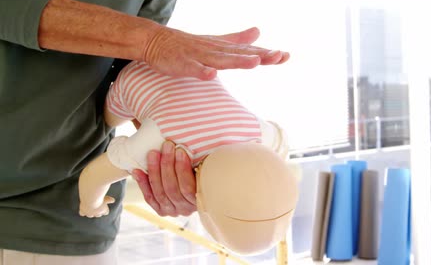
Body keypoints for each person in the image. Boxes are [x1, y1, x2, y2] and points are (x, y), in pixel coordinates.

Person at [0, 0, 289, 264]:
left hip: (59, 213)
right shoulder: (256, 132)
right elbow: (145, 48)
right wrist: (151, 42)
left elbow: (133, 63)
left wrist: (168, 167)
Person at [77, 60, 299, 254]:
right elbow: (94, 174)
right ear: (200, 201)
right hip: (132, 77)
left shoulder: (261, 133)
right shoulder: (163, 143)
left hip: (192, 64)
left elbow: (282, 143)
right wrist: (91, 204)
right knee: (106, 123)